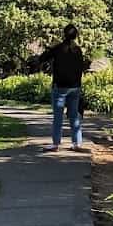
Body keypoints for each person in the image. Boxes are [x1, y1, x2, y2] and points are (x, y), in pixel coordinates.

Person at [44, 23, 88, 152]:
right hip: (75, 87)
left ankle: (56, 144)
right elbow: (81, 68)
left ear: (64, 34)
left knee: (58, 116)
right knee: (74, 115)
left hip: (60, 86)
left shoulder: (58, 48)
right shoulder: (78, 50)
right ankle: (77, 143)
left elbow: (43, 58)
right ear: (76, 35)